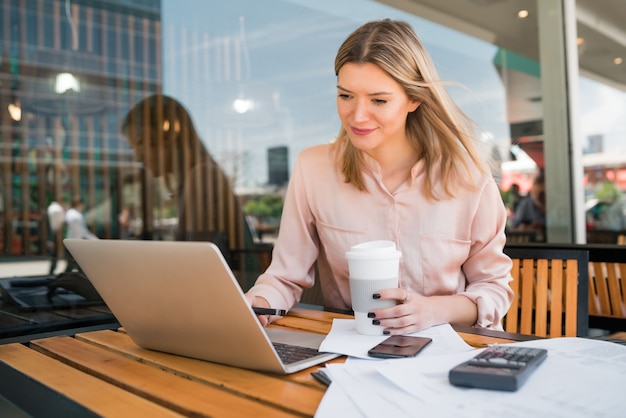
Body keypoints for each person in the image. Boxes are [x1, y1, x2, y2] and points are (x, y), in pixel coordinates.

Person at [245, 19, 513, 334]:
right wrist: (255, 303)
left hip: (448, 351)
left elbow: (493, 289)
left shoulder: (470, 179)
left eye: (379, 100)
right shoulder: (312, 169)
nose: (357, 116)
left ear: (415, 99)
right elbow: (284, 277)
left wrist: (432, 311)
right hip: (352, 354)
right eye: (346, 96)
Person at [64, 197, 98, 271]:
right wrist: (95, 239)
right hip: (76, 244)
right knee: (78, 267)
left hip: (70, 242)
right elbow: (82, 231)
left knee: (74, 267)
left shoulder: (69, 213)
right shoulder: (77, 216)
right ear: (79, 204)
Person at [46, 200, 66, 275]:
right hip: (56, 234)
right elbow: (56, 224)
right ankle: (51, 271)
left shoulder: (52, 208)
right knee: (55, 254)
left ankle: (52, 271)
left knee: (54, 254)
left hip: (53, 234)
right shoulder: (57, 209)